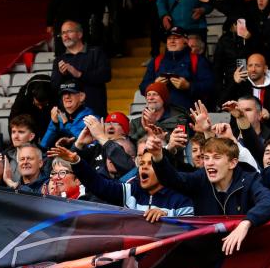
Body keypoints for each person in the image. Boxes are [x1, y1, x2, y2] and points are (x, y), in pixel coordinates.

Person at [146, 135, 270, 255]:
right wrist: (158, 156)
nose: (209, 163)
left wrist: (246, 223)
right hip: (204, 256)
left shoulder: (249, 180)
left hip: (242, 255)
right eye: (206, 157)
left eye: (216, 157)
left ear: (232, 163)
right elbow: (173, 180)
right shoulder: (201, 177)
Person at [48, 142, 193, 219]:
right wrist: (76, 161)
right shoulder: (132, 191)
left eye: (151, 164)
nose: (143, 168)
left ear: (164, 168)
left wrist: (167, 220)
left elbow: (190, 239)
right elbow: (99, 185)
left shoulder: (182, 202)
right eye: (141, 164)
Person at [139, 26, 215, 111]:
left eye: (176, 38)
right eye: (169, 38)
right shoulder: (156, 60)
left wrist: (188, 86)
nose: (172, 41)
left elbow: (210, 86)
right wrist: (154, 85)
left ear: (185, 41)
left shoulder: (198, 60)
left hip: (188, 115)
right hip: (159, 116)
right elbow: (142, 87)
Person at [219, 53, 270, 139]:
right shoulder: (240, 85)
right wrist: (234, 83)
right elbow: (221, 104)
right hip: (240, 133)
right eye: (250, 66)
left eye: (257, 66)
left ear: (265, 68)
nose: (253, 69)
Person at [51, 20, 112, 117]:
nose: (65, 35)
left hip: (95, 113)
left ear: (79, 34)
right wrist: (62, 75)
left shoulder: (96, 52)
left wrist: (79, 74)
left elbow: (106, 75)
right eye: (63, 33)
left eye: (69, 31)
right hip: (70, 118)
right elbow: (54, 87)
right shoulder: (59, 60)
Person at [72, 114, 135, 179]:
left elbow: (129, 168)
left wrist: (100, 136)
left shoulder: (133, 145)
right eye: (107, 123)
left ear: (126, 130)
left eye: (116, 123)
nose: (110, 127)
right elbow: (72, 165)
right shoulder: (96, 148)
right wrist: (79, 144)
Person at [40, 81, 98, 150]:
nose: (66, 96)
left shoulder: (92, 119)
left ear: (81, 96)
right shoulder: (59, 117)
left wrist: (67, 125)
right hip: (60, 158)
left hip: (83, 159)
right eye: (64, 93)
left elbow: (92, 145)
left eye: (71, 93)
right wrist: (55, 124)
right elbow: (43, 146)